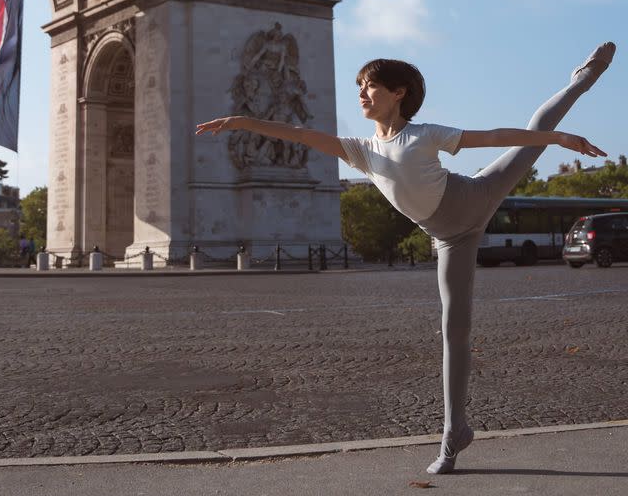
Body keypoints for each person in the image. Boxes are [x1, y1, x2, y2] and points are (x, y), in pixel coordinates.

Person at [197, 41, 615, 474]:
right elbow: (303, 135)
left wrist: (557, 139)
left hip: (478, 194)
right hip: (448, 238)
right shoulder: (361, 149)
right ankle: (456, 432)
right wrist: (243, 121)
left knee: (533, 135)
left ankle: (581, 80)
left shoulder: (424, 134)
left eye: (370, 86)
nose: (361, 93)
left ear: (398, 93)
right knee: (454, 331)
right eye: (359, 86)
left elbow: (491, 138)